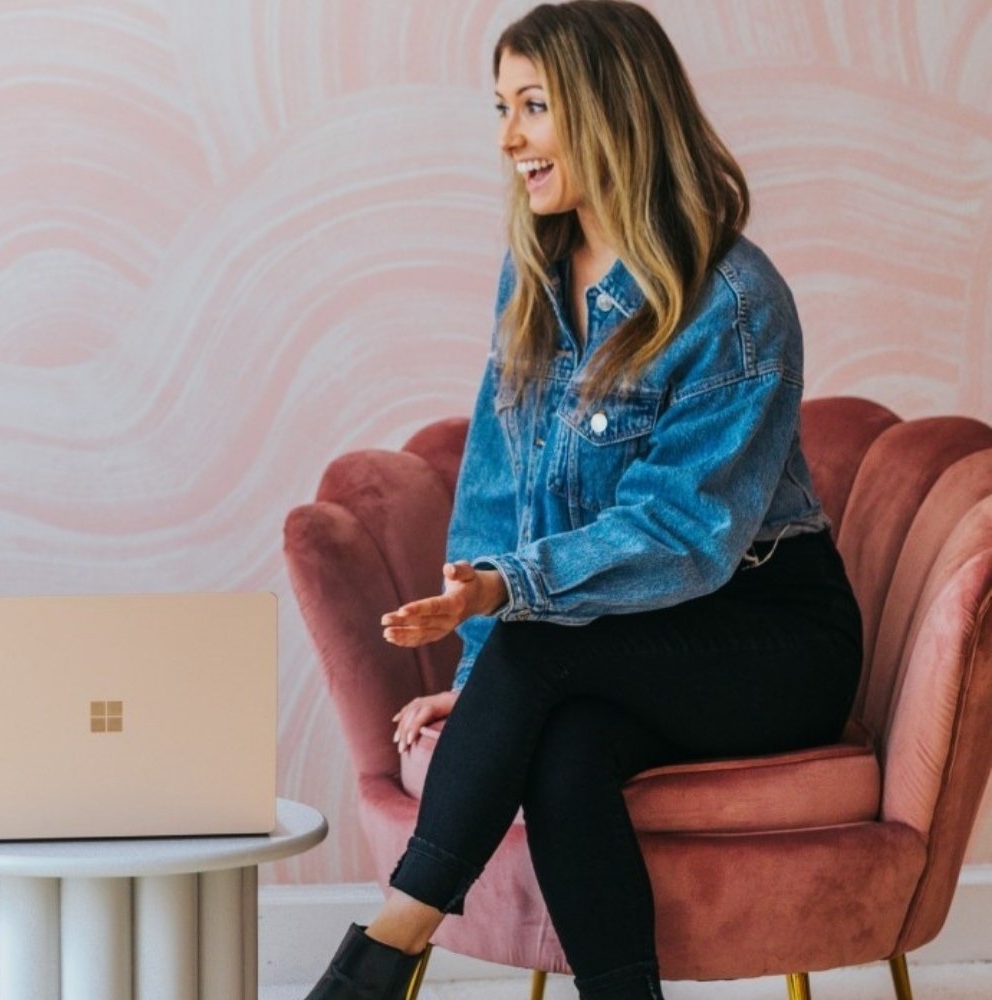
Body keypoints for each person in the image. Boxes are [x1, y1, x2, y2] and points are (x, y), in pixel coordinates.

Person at [303, 4, 862, 999]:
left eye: (531, 106)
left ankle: (381, 954)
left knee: (534, 643)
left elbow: (680, 533)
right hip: (610, 636)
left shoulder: (732, 299)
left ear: (611, 112)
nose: (505, 137)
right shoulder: (536, 277)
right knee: (563, 745)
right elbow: (496, 492)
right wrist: (479, 675)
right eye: (500, 107)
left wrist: (500, 602)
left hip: (765, 637)